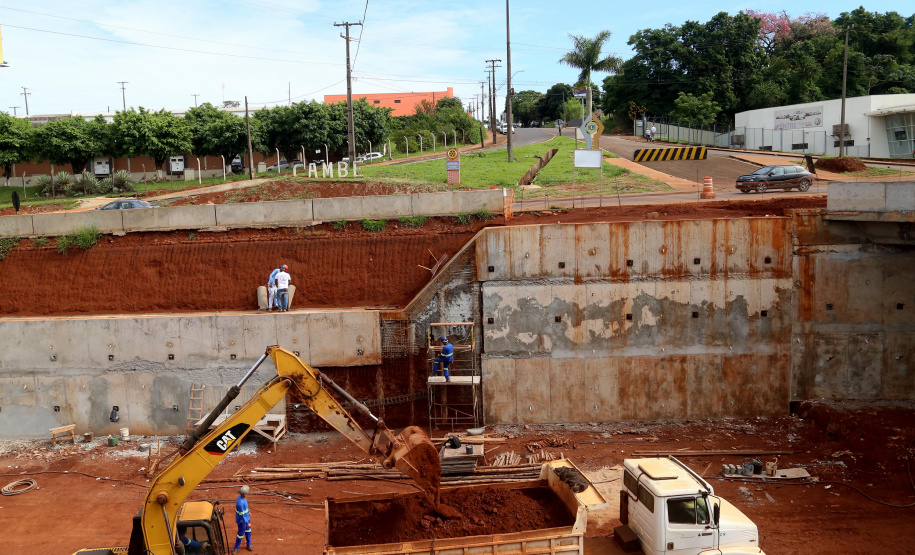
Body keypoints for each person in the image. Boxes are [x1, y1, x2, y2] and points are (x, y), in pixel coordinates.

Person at [234, 485, 252, 553]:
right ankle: (236, 548)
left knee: (248, 532)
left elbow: (246, 508)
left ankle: (249, 544)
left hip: (246, 518)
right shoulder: (240, 503)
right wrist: (247, 523)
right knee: (240, 534)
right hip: (242, 521)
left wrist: (249, 512)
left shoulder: (242, 499)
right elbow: (242, 515)